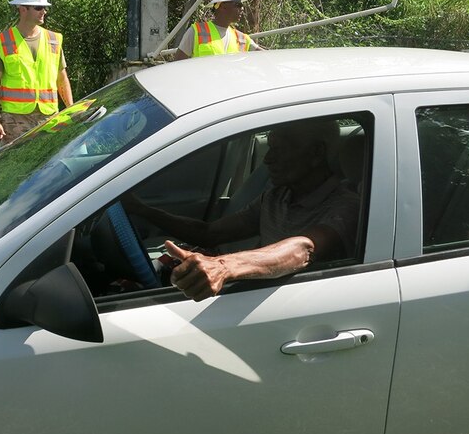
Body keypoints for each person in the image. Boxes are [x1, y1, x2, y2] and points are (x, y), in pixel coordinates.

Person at [124, 119, 359, 301]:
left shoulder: (345, 206)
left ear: (316, 153)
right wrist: (143, 210)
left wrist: (222, 267)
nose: (268, 159)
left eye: (280, 149)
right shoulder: (277, 195)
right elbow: (209, 233)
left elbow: (305, 249)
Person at [0, 0, 73, 146]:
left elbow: (62, 80)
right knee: (13, 165)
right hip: (15, 120)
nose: (44, 12)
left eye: (44, 8)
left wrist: (71, 110)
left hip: (50, 118)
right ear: (23, 9)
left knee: (50, 167)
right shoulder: (3, 42)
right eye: (38, 8)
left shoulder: (53, 40)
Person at [174, 0, 262, 60]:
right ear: (223, 6)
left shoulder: (242, 39)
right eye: (238, 4)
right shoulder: (196, 32)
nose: (242, 8)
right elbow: (177, 65)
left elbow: (266, 56)